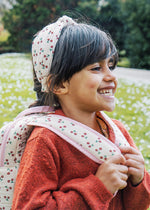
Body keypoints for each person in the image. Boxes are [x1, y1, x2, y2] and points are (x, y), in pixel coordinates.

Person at [12, 15, 150, 210]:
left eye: (110, 66)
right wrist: (98, 187)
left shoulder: (118, 133)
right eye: (96, 68)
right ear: (58, 84)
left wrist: (138, 180)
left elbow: (137, 205)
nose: (111, 76)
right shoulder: (45, 139)